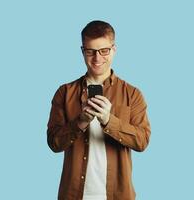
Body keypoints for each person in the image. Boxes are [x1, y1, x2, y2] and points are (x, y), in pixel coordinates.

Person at [47, 20, 151, 200]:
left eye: (104, 51)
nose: (97, 58)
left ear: (114, 49)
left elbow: (142, 141)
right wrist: (80, 122)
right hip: (73, 195)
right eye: (90, 51)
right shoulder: (64, 93)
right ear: (82, 51)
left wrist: (108, 121)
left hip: (118, 195)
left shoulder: (132, 94)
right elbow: (54, 143)